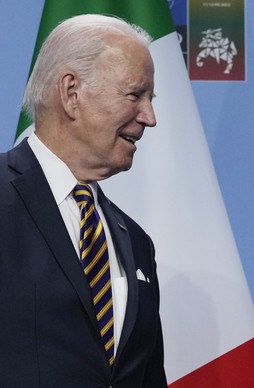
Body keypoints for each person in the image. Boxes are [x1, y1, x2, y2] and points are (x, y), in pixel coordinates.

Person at [0, 14, 167, 387]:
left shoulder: (136, 242)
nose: (150, 117)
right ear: (71, 92)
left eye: (150, 98)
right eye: (135, 94)